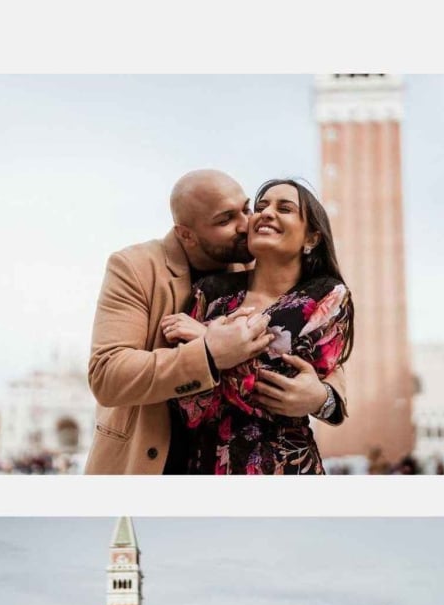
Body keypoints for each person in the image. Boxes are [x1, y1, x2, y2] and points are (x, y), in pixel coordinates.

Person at [86, 169, 347, 474]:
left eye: (247, 209)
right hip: (150, 463)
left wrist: (322, 399)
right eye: (225, 220)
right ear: (186, 235)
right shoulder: (135, 267)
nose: (246, 224)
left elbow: (321, 354)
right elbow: (107, 375)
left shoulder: (260, 261)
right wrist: (209, 353)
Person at [163, 179, 354, 473]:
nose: (266, 213)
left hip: (285, 467)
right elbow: (187, 402)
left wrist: (208, 343)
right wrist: (213, 361)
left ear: (312, 238)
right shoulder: (210, 291)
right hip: (202, 467)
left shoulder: (326, 296)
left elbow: (280, 393)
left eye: (285, 208)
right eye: (261, 206)